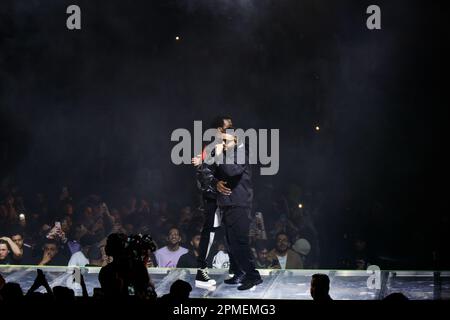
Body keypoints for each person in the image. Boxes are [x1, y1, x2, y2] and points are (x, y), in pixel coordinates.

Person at [215, 128, 262, 290]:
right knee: (230, 242)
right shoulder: (228, 154)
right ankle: (239, 272)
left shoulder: (240, 153)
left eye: (225, 140)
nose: (222, 143)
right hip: (227, 204)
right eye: (221, 141)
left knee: (240, 242)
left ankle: (253, 276)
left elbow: (231, 170)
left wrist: (220, 154)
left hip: (239, 204)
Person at [191, 115, 233, 289]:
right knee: (210, 232)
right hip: (214, 197)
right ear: (217, 130)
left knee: (231, 230)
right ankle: (201, 271)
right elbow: (203, 172)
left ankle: (236, 267)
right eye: (225, 128)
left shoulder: (228, 144)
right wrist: (215, 188)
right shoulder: (211, 147)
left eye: (230, 127)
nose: (228, 130)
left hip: (227, 196)